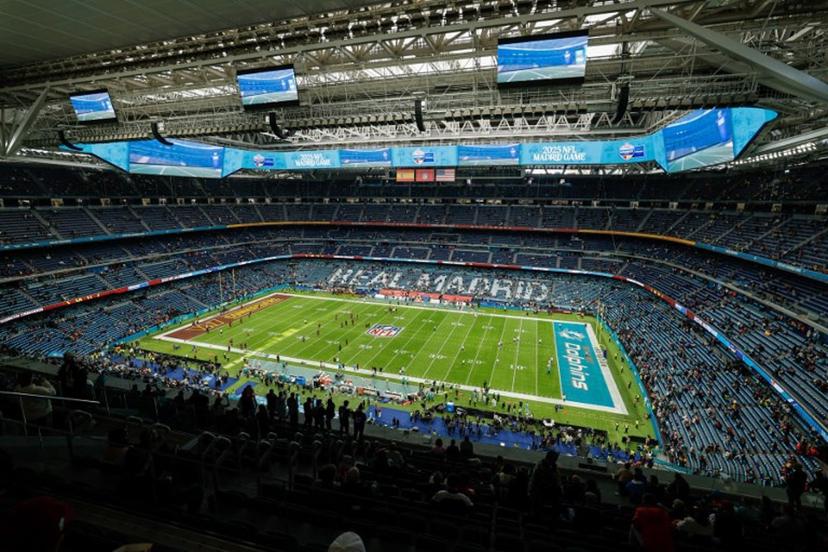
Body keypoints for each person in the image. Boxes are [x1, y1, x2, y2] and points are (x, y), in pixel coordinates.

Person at [528, 450, 561, 518]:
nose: (555, 461)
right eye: (555, 459)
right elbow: (541, 479)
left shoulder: (552, 466)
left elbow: (556, 478)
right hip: (538, 492)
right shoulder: (541, 465)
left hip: (544, 493)